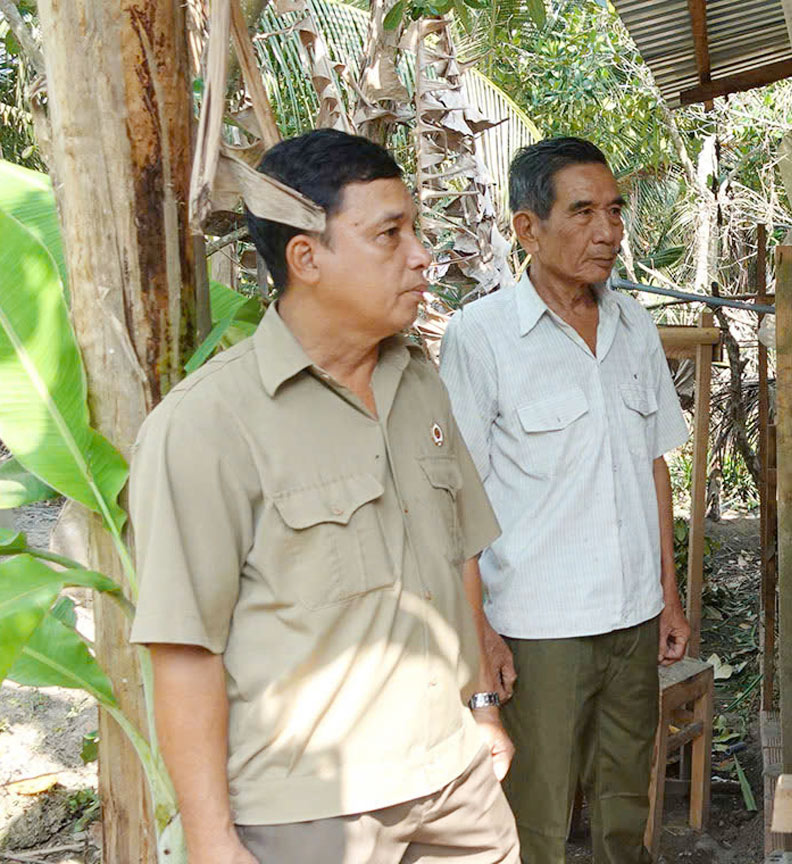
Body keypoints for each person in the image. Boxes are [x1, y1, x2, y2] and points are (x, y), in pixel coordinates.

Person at [129, 129, 519, 864]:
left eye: (416, 229)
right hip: (309, 814)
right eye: (389, 234)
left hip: (456, 785)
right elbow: (184, 649)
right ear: (306, 258)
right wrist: (213, 841)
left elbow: (457, 552)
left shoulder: (418, 381)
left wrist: (480, 708)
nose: (421, 254)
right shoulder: (205, 426)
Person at [438, 136, 690, 864]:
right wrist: (479, 632)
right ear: (527, 227)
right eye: (582, 212)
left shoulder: (634, 324)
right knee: (538, 821)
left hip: (634, 618)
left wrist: (667, 598)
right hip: (538, 629)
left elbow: (653, 470)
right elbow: (460, 500)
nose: (608, 231)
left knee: (624, 810)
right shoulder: (481, 337)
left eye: (614, 211)